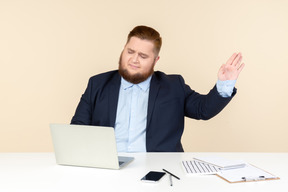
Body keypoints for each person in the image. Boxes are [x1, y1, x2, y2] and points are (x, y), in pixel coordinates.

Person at [71, 25, 245, 152]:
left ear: (155, 60)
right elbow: (77, 129)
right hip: (107, 168)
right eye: (130, 52)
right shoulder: (98, 84)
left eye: (143, 56)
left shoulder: (173, 85)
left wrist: (225, 84)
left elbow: (203, 110)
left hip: (159, 170)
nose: (134, 60)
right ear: (123, 50)